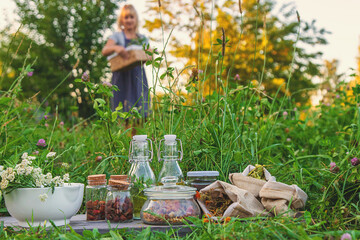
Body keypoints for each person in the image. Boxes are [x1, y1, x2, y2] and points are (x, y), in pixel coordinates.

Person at [102, 4, 150, 124]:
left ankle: (139, 138)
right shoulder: (116, 36)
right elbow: (105, 50)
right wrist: (116, 47)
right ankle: (126, 139)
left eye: (131, 17)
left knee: (141, 110)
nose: (129, 20)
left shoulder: (142, 38)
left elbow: (150, 54)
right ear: (121, 20)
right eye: (126, 17)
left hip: (138, 76)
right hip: (121, 77)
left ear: (136, 19)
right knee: (123, 112)